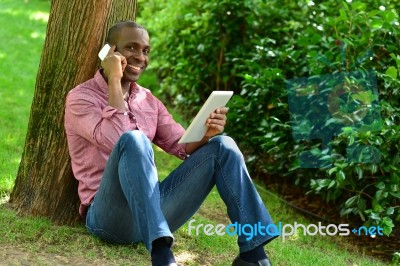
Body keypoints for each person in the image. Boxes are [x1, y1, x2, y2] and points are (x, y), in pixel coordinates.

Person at [64, 20, 276, 266]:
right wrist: (114, 80)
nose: (140, 57)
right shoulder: (81, 98)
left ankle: (253, 255)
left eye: (145, 51)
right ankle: (162, 256)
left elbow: (181, 145)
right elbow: (116, 139)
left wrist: (206, 134)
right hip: (109, 218)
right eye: (131, 47)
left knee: (223, 146)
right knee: (133, 139)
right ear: (110, 52)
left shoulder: (147, 100)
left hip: (154, 211)